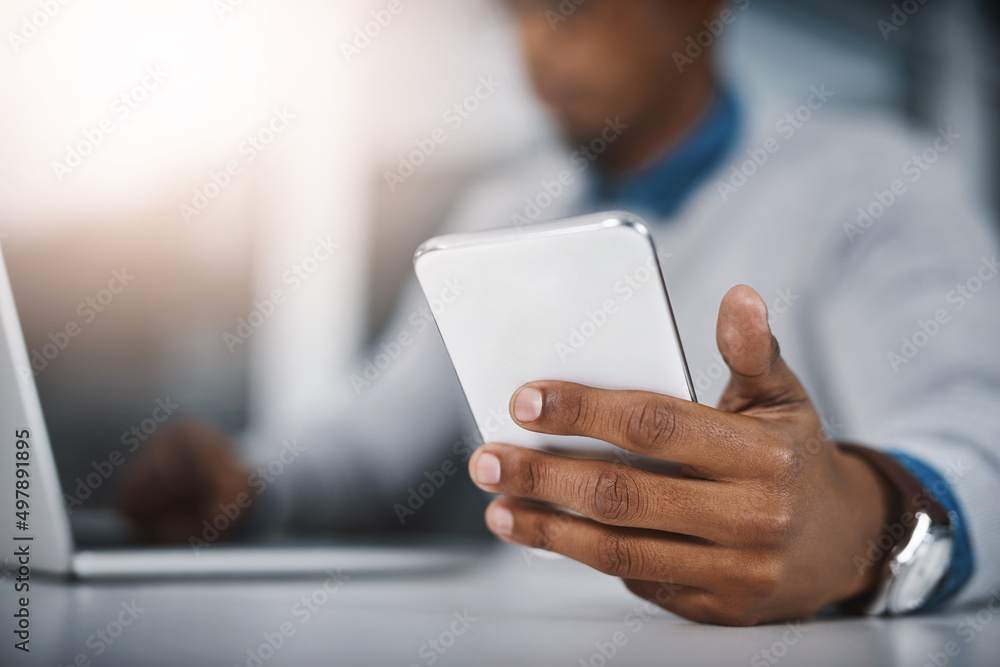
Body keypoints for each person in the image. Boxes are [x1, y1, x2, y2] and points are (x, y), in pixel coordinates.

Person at [119, 0, 1000, 625]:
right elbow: (370, 439)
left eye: (571, 8)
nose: (536, 46)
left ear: (700, 9)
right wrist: (251, 480)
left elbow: (977, 430)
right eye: (514, 12)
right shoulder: (501, 209)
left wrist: (868, 528)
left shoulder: (879, 183)